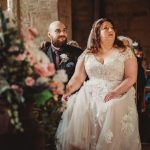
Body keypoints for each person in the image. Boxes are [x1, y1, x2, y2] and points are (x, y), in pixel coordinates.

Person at [56, 18, 141, 150]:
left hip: (118, 91)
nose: (111, 30)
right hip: (90, 92)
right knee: (78, 106)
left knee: (111, 107)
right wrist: (67, 92)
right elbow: (78, 78)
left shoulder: (125, 51)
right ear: (96, 33)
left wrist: (115, 92)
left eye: (112, 27)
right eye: (105, 28)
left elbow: (131, 77)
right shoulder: (87, 54)